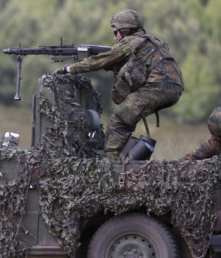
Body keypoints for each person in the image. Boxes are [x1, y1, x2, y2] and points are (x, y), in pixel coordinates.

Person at [54, 9, 184, 160]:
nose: (115, 38)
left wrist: (68, 69)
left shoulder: (128, 43)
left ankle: (111, 168)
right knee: (126, 120)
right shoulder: (150, 42)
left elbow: (99, 61)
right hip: (175, 87)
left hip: (157, 87)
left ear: (125, 30)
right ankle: (126, 160)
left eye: (116, 33)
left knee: (118, 121)